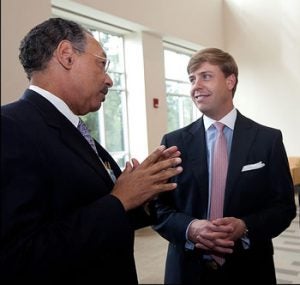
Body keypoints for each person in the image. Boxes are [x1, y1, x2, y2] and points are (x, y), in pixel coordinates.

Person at [0, 18, 183, 284]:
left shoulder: (72, 128)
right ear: (67, 55)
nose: (109, 79)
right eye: (102, 63)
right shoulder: (10, 127)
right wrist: (120, 199)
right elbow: (19, 255)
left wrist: (143, 193)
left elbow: (90, 205)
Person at [151, 47, 296, 284]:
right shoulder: (173, 143)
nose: (195, 86)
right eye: (191, 79)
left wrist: (245, 226)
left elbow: (284, 207)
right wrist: (190, 228)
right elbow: (157, 207)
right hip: (187, 271)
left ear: (230, 81)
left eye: (205, 76)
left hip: (249, 269)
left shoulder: (267, 140)